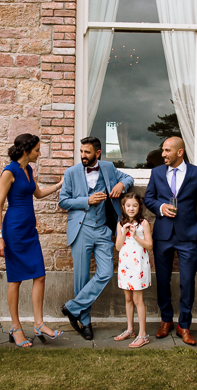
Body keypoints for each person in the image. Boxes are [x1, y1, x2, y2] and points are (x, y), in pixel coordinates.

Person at [58, 136, 134, 340]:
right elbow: (63, 201)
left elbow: (129, 178)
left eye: (87, 152)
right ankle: (85, 321)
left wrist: (121, 186)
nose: (83, 156)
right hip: (81, 230)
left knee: (106, 272)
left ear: (97, 153)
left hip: (103, 230)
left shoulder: (108, 168)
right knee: (81, 278)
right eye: (81, 152)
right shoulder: (71, 173)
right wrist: (86, 200)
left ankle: (72, 307)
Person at [0, 133, 64, 347]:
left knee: (39, 275)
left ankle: (39, 324)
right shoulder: (9, 171)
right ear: (26, 151)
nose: (39, 154)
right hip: (13, 230)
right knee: (15, 279)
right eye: (37, 150)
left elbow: (39, 194)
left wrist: (61, 183)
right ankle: (16, 328)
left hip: (29, 229)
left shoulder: (28, 169)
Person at [143, 137, 197, 346]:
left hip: (188, 236)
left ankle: (185, 325)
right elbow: (148, 198)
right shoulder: (156, 173)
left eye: (167, 150)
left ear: (180, 152)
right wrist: (161, 208)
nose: (163, 154)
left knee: (187, 281)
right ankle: (166, 320)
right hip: (162, 234)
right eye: (162, 150)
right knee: (162, 280)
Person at [114, 193, 153, 348]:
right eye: (128, 205)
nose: (131, 208)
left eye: (135, 205)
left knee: (138, 300)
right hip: (125, 265)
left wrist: (135, 235)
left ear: (139, 207)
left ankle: (143, 335)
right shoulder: (120, 224)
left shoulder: (144, 223)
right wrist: (124, 232)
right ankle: (130, 329)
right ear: (123, 207)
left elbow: (149, 245)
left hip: (139, 265)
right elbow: (118, 247)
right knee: (128, 299)